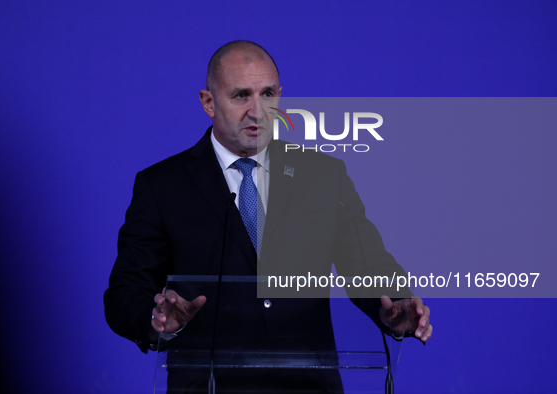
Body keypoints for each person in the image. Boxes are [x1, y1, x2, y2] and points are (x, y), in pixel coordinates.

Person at [104, 40, 432, 393]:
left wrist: (395, 303)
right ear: (208, 102)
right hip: (208, 385)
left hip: (308, 386)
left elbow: (368, 265)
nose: (257, 111)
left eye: (268, 94)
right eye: (241, 95)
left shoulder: (323, 175)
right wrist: (157, 320)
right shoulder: (162, 186)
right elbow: (125, 292)